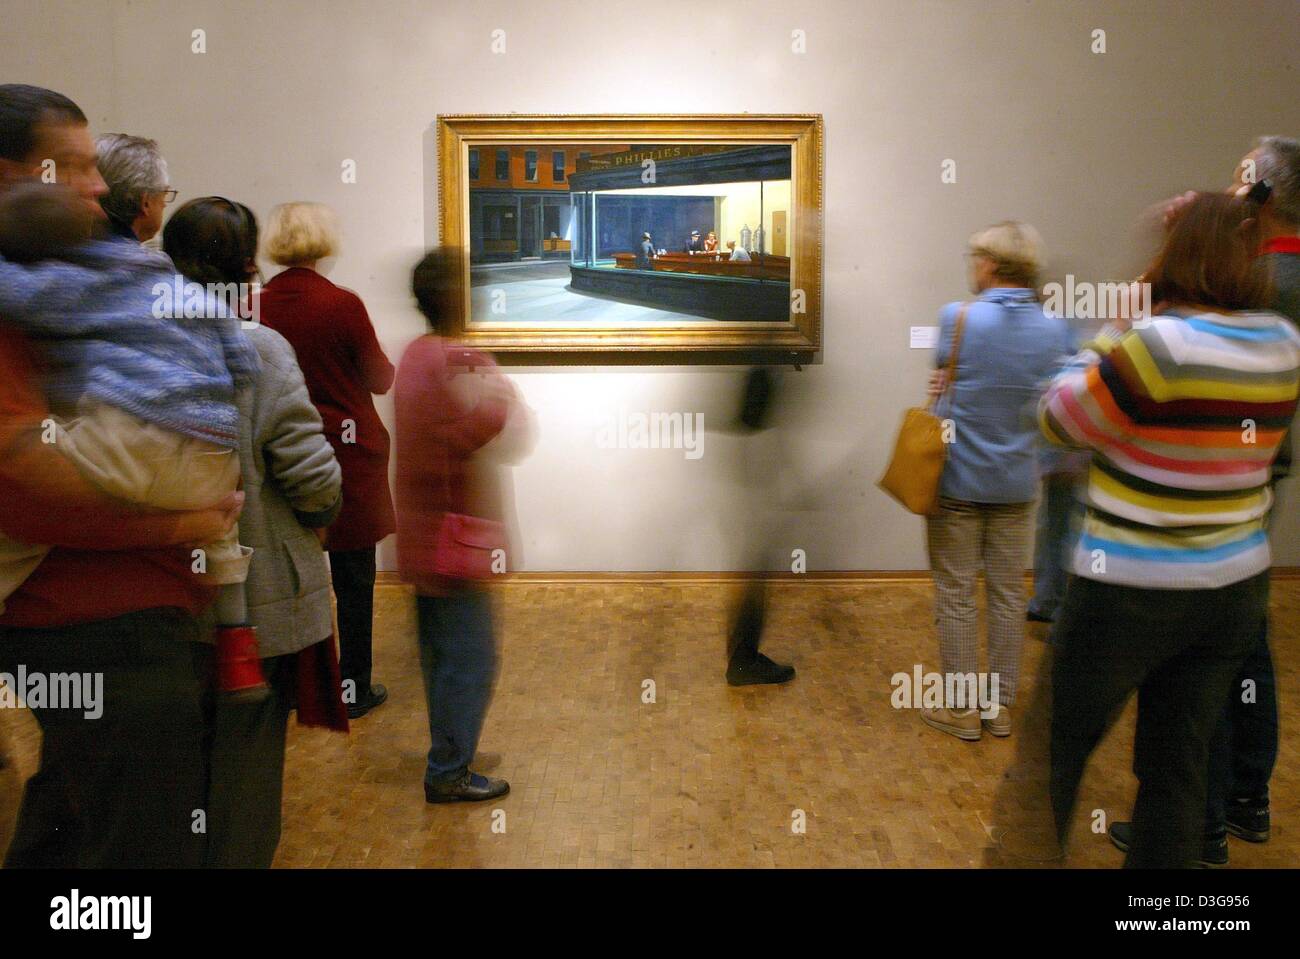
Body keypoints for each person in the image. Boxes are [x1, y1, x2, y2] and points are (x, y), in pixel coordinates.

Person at [0, 83, 237, 868]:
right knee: (135, 856)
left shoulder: (71, 273)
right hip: (93, 631)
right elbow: (25, 481)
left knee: (80, 834)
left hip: (115, 623)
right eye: (68, 165)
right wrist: (189, 518)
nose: (98, 184)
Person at [1043, 192, 1300, 868]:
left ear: (1174, 257)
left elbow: (1060, 419)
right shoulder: (1282, 341)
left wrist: (1110, 332)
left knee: (1053, 754)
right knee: (1178, 770)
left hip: (1128, 587)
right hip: (1233, 589)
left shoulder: (1161, 344)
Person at [1108, 136, 1300, 866]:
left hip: (1222, 469)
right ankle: (1247, 796)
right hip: (1262, 464)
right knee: (1243, 630)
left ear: (1260, 191)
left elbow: (1155, 339)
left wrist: (1176, 245)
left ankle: (1202, 821)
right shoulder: (1277, 274)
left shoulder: (1261, 278)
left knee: (1201, 646)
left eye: (1237, 178)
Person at [163, 196, 348, 867]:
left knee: (170, 772)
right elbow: (310, 473)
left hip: (152, 596)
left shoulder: (130, 341)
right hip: (247, 595)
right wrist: (323, 512)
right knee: (242, 774)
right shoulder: (258, 349)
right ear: (247, 268)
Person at [922, 222, 1072, 741]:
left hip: (956, 480)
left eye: (974, 256)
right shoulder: (1055, 330)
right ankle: (1000, 708)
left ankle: (961, 709)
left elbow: (943, 388)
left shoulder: (957, 318)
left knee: (957, 593)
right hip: (1016, 484)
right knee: (1009, 596)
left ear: (990, 262)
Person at [258, 202, 396, 720]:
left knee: (290, 575)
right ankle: (353, 687)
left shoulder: (256, 305)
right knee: (355, 581)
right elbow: (380, 378)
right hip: (347, 456)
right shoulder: (341, 304)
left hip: (280, 457)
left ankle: (295, 686)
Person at [395, 247, 516, 803]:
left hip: (424, 531)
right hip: (454, 534)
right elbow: (459, 436)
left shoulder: (416, 355)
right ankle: (448, 770)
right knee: (469, 658)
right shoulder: (454, 360)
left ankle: (446, 760)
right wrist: (497, 405)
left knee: (443, 655)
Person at [94, 133, 175, 243]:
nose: (164, 204)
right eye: (164, 194)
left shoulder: (65, 249)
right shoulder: (148, 260)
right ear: (145, 203)